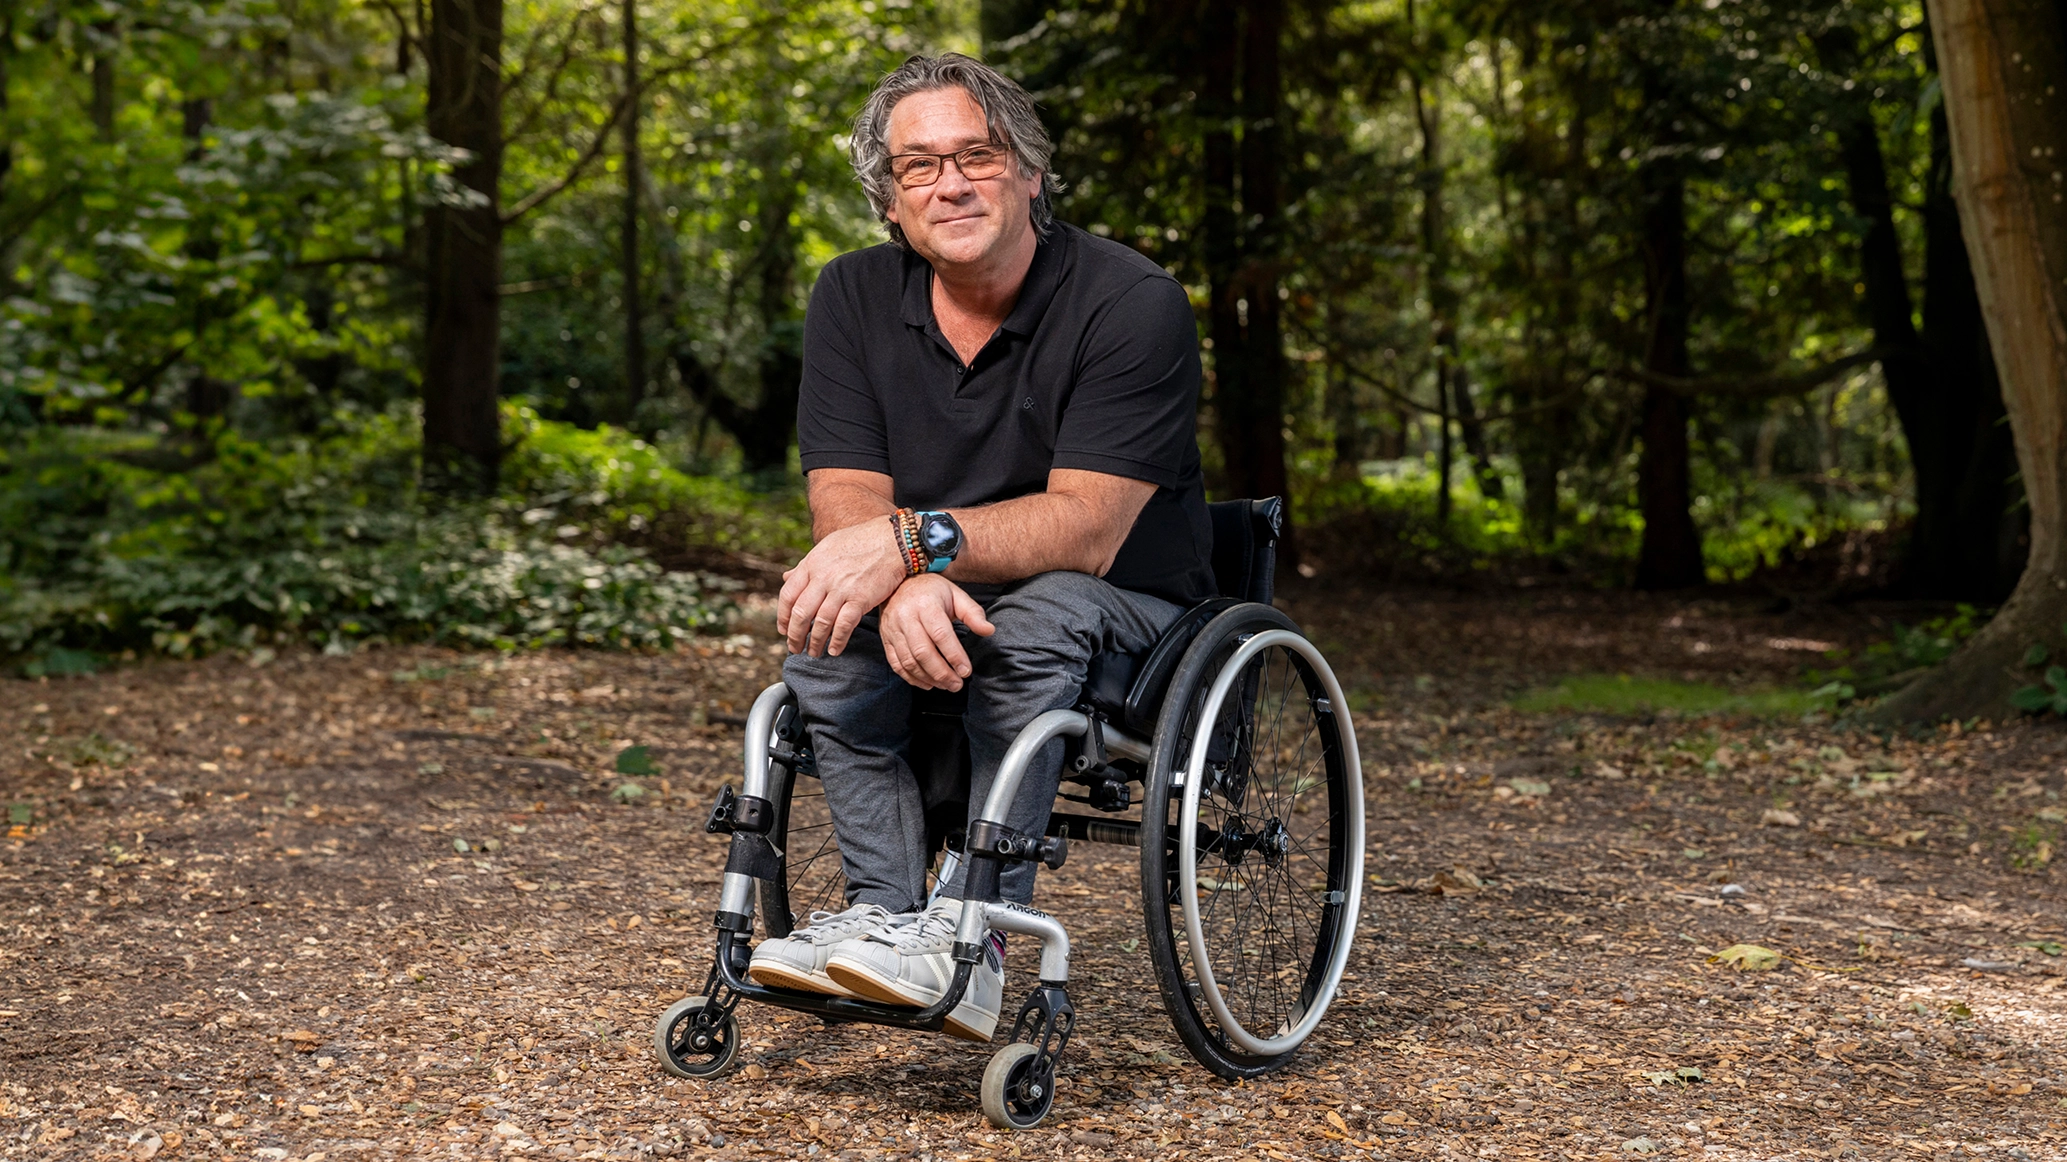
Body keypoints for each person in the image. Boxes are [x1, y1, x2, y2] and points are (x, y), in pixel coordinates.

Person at [745, 53, 1215, 1044]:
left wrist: (911, 548)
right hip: (946, 593)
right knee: (826, 633)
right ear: (889, 202)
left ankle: (975, 935)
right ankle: (889, 919)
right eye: (918, 167)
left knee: (1034, 619)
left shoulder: (1131, 303)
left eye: (977, 154)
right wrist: (895, 576)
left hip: (1128, 611)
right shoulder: (853, 298)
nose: (950, 182)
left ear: (1031, 174)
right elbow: (845, 500)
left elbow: (1085, 527)